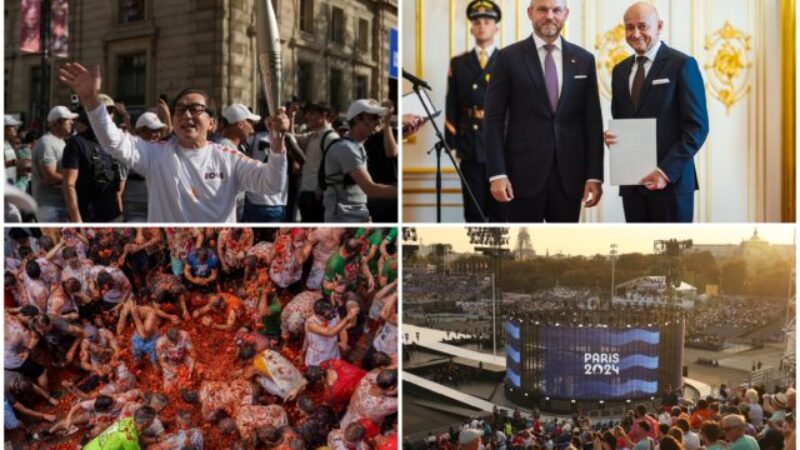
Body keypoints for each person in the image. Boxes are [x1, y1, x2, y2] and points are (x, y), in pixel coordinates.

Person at [58, 63, 290, 222]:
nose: (187, 115)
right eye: (180, 110)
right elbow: (113, 141)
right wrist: (91, 100)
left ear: (212, 123)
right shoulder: (155, 154)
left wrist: (278, 142)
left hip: (216, 250)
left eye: (196, 109)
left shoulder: (229, 158)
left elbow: (271, 185)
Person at [484, 0, 604, 222]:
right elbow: (493, 120)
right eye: (542, 9)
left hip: (569, 178)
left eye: (556, 10)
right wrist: (497, 173)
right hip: (520, 177)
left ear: (566, 14)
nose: (550, 16)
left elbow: (593, 122)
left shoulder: (584, 60)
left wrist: (595, 175)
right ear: (530, 13)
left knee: (564, 250)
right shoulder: (507, 58)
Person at [603, 2, 709, 222]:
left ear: (659, 26)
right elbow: (622, 120)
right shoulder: (620, 71)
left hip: (672, 184)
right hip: (632, 185)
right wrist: (613, 138)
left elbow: (697, 128)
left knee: (674, 256)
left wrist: (665, 172)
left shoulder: (682, 64)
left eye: (643, 26)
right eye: (629, 27)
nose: (635, 34)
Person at [446, 0, 503, 222]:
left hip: (501, 144)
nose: (481, 26)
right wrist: (452, 142)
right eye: (477, 22)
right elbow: (451, 103)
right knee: (474, 211)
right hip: (469, 144)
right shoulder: (459, 63)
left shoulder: (507, 60)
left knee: (501, 212)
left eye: (487, 22)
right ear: (471, 27)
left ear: (496, 27)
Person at [322, 99, 398, 222]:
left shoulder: (357, 146)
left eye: (379, 118)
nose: (378, 122)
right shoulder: (347, 148)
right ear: (357, 119)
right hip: (344, 218)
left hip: (356, 215)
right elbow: (371, 189)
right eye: (373, 117)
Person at [63, 97, 126, 222]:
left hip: (113, 216)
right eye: (103, 111)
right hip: (87, 217)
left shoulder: (117, 143)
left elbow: (118, 187)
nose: (107, 116)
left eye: (110, 112)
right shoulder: (77, 143)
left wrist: (120, 214)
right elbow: (69, 184)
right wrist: (77, 221)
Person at [31, 106, 77, 222]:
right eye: (68, 120)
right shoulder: (46, 143)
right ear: (57, 123)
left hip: (60, 204)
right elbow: (50, 176)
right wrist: (75, 179)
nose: (72, 122)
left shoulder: (61, 141)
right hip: (49, 207)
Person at [296, 103, 339, 222]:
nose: (308, 117)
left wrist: (321, 188)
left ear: (324, 116)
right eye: (308, 113)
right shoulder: (313, 135)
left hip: (318, 195)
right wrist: (291, 116)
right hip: (306, 192)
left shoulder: (331, 138)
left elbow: (333, 166)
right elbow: (292, 139)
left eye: (313, 114)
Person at [82, 404, 156, 450]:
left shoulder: (127, 419)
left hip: (89, 447)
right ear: (147, 423)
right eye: (152, 421)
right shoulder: (130, 439)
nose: (152, 423)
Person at [5, 115, 22, 185]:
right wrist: (14, 162)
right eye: (12, 126)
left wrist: (21, 170)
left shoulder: (8, 144)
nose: (15, 128)